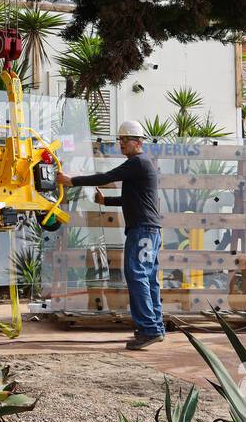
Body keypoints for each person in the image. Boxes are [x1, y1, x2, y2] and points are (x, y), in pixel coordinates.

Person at [57, 120, 165, 349]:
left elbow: (106, 177)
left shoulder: (138, 163)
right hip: (149, 230)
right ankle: (154, 326)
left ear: (138, 142)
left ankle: (149, 330)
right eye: (121, 140)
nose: (122, 144)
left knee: (137, 276)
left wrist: (72, 180)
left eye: (126, 140)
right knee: (148, 278)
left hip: (142, 230)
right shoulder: (142, 165)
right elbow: (134, 199)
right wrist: (106, 201)